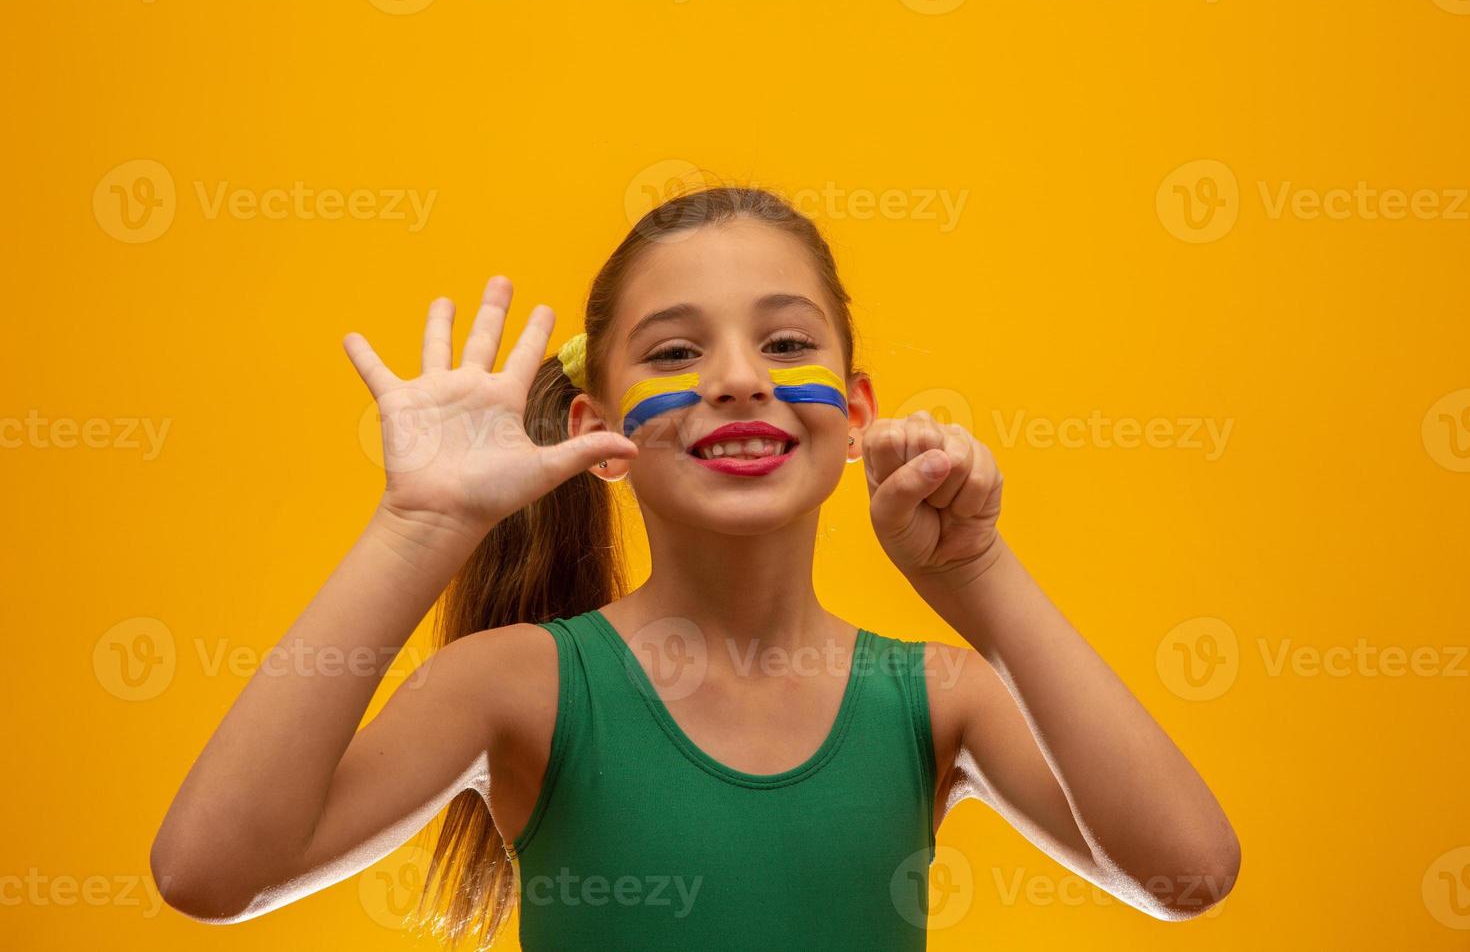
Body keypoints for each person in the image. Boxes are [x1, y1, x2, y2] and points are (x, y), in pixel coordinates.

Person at [149, 186, 1240, 950]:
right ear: (597, 426)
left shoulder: (934, 694)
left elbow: (1190, 873)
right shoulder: (517, 683)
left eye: (786, 343)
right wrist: (417, 525)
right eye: (674, 351)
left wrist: (978, 570)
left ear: (854, 412)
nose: (734, 379)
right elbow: (209, 873)